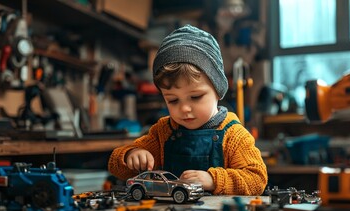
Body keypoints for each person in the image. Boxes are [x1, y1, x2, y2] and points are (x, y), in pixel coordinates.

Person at [108, 24, 267, 195]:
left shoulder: (234, 136)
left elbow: (257, 179)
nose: (184, 108)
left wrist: (213, 180)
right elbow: (115, 167)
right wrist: (131, 155)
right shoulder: (163, 132)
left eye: (196, 97)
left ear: (218, 89)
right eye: (173, 100)